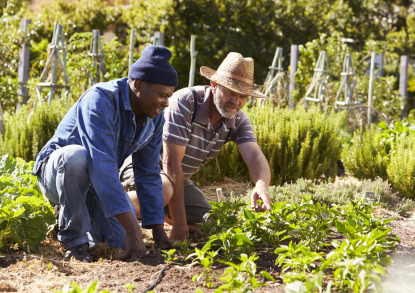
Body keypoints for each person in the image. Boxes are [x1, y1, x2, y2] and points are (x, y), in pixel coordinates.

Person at [32, 45, 176, 262]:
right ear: (138, 84)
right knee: (76, 156)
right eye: (162, 95)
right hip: (58, 173)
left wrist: (157, 231)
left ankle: (78, 217)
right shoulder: (101, 99)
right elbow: (102, 164)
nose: (166, 103)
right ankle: (74, 242)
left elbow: (147, 173)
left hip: (94, 182)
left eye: (169, 96)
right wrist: (133, 229)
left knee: (119, 242)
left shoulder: (154, 119)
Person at [120, 52, 273, 242]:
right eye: (231, 93)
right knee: (163, 190)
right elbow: (170, 163)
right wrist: (180, 225)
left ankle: (159, 214)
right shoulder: (185, 102)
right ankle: (107, 207)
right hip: (143, 168)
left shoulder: (237, 119)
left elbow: (255, 157)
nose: (236, 102)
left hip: (176, 179)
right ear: (214, 85)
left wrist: (261, 185)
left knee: (212, 221)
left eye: (242, 96)